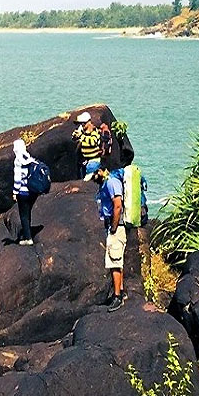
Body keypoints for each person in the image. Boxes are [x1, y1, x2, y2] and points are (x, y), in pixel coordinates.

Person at [86, 167, 127, 312]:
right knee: (116, 260)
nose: (93, 179)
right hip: (112, 225)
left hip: (116, 226)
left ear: (100, 171)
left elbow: (117, 205)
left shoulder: (111, 182)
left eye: (94, 175)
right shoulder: (106, 184)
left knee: (114, 262)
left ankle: (117, 297)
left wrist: (114, 227)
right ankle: (120, 291)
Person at [12, 139, 39, 246]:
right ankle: (28, 232)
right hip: (32, 191)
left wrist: (15, 191)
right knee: (28, 213)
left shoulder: (18, 160)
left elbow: (17, 178)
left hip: (22, 192)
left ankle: (28, 238)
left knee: (23, 215)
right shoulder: (29, 158)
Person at [72, 111, 102, 179]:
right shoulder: (83, 132)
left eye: (83, 123)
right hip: (85, 161)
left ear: (89, 122)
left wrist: (81, 136)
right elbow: (75, 140)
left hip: (93, 161)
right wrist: (75, 136)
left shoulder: (94, 131)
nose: (82, 125)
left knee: (88, 182)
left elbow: (93, 141)